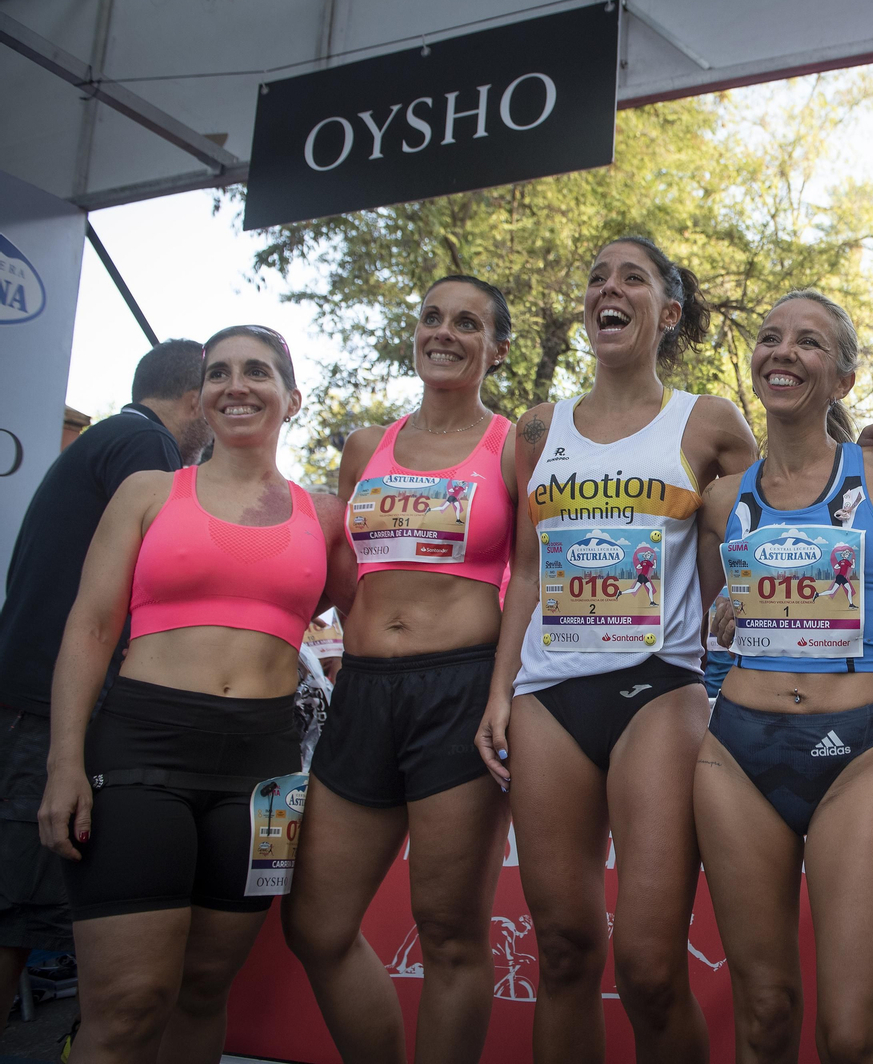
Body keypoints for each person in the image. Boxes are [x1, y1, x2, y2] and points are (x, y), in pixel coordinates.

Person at [477, 236, 758, 1063]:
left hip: (658, 690)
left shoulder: (705, 420)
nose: (609, 288)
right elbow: (525, 573)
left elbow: (784, 502)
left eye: (631, 278)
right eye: (597, 276)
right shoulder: (538, 428)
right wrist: (500, 693)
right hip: (547, 695)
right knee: (563, 951)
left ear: (667, 312)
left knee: (646, 966)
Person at [36, 325, 343, 1064]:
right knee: (130, 1003)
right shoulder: (148, 491)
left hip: (265, 776)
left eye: (259, 372)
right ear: (200, 398)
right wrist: (63, 762)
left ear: (291, 399)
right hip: (141, 750)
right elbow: (90, 628)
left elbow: (384, 624)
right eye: (219, 373)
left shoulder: (325, 514)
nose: (237, 385)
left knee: (206, 990)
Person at [282, 276, 517, 1064]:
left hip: (461, 690)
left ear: (497, 349)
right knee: (315, 924)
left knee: (451, 933)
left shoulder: (515, 445)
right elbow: (340, 573)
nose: (444, 333)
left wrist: (502, 693)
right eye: (432, 317)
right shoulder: (364, 448)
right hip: (364, 690)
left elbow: (544, 576)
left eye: (467, 323)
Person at [693, 290, 873, 1062]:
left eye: (809, 343)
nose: (782, 352)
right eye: (769, 338)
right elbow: (702, 621)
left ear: (844, 379)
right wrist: (723, 615)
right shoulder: (722, 499)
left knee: (853, 1034)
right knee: (763, 1014)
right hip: (736, 752)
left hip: (855, 750)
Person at [0, 339, 211, 1036]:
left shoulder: (109, 439)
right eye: (212, 390)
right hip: (46, 707)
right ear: (191, 399)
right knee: (16, 909)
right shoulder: (144, 451)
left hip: (34, 698)